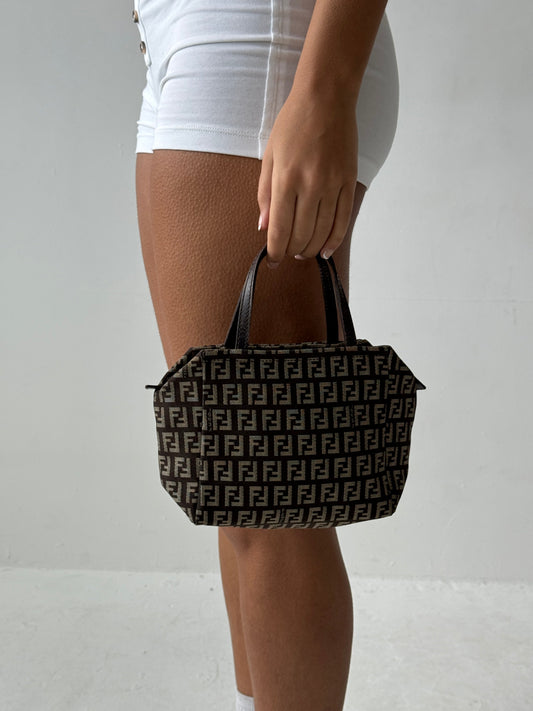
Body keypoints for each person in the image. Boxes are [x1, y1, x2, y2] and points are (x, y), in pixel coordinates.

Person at [132, 1, 398, 709]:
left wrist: (324, 91)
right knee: (238, 480)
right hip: (180, 40)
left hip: (259, 42)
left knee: (274, 498)